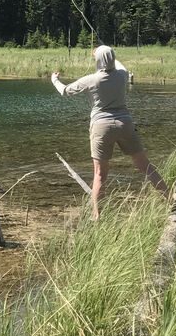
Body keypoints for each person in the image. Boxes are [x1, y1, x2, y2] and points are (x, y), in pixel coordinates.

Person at [52, 44, 168, 219]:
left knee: (100, 174)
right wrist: (111, 55)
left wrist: (54, 79)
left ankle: (97, 216)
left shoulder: (91, 80)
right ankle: (169, 200)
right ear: (112, 59)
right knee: (146, 166)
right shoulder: (121, 76)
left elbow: (65, 91)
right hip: (125, 124)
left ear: (97, 61)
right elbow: (123, 68)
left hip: (101, 127)